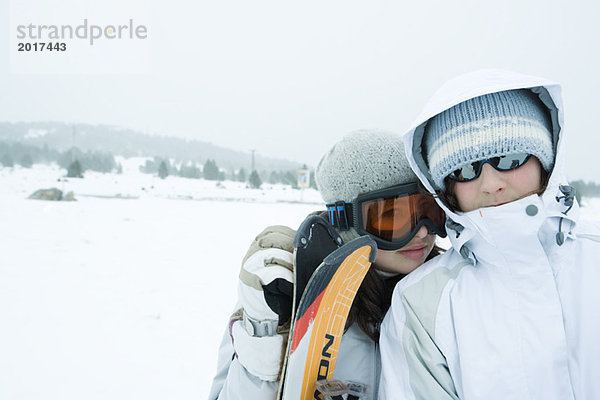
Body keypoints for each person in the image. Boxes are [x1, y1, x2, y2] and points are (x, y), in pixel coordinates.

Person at [378, 69, 600, 399]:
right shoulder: (421, 303)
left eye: (510, 158)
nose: (491, 183)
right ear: (446, 187)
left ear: (545, 160)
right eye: (466, 170)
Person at [208, 130, 446, 399]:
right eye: (394, 218)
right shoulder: (289, 297)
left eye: (430, 212)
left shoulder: (451, 293)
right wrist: (262, 337)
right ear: (347, 222)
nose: (423, 232)